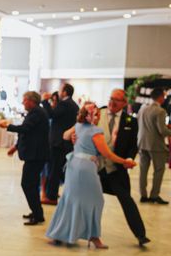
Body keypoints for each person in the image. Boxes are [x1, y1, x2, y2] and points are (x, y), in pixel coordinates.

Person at [46, 102, 137, 248]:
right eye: (95, 114)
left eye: (98, 115)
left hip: (73, 165)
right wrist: (124, 161)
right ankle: (94, 237)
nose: (97, 117)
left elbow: (65, 135)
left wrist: (73, 136)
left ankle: (60, 234)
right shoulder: (96, 131)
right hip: (85, 168)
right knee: (96, 201)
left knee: (69, 199)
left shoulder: (78, 126)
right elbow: (107, 154)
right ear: (88, 115)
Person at [97, 90, 150, 247]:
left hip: (116, 169)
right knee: (86, 200)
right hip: (96, 169)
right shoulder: (97, 114)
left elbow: (133, 146)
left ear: (124, 103)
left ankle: (141, 235)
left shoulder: (130, 121)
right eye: (111, 98)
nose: (113, 103)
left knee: (127, 200)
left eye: (117, 100)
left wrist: (128, 159)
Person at [3, 91, 50, 225]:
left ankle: (37, 214)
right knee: (31, 184)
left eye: (24, 100)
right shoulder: (36, 112)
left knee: (28, 184)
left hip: (36, 155)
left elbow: (25, 129)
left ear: (31, 101)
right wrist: (16, 147)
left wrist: (7, 126)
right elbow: (29, 133)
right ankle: (36, 212)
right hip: (35, 155)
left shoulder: (36, 113)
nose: (23, 103)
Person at [41, 83, 79, 205]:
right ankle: (53, 191)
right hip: (65, 142)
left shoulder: (64, 104)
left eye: (60, 90)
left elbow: (51, 115)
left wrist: (45, 101)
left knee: (54, 169)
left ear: (65, 92)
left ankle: (51, 196)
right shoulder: (73, 105)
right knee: (60, 169)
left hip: (58, 142)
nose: (58, 91)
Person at [137, 87, 171, 204]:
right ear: (161, 97)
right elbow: (162, 131)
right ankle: (154, 195)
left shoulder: (142, 109)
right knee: (159, 170)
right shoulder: (160, 111)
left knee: (143, 170)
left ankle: (143, 195)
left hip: (142, 143)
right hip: (156, 146)